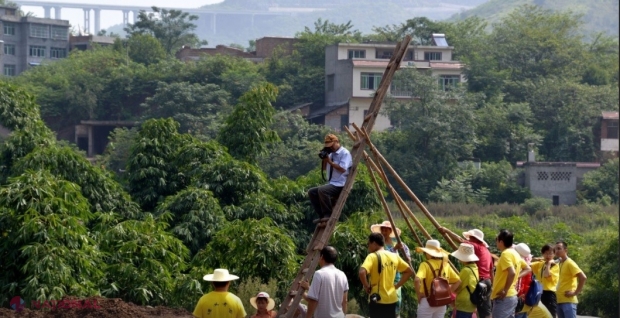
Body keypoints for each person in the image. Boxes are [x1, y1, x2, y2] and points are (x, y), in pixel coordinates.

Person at [440, 227, 493, 318]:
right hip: (487, 281)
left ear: (474, 238)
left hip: (478, 281)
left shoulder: (474, 246)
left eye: (470, 237)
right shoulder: (486, 251)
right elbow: (491, 269)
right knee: (485, 311)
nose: (468, 239)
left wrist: (447, 231)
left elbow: (460, 240)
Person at [359, 233, 413, 318]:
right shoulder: (394, 256)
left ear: (374, 243)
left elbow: (362, 272)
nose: (368, 246)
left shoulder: (372, 256)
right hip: (392, 298)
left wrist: (366, 286)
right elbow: (409, 271)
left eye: (368, 244)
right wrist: (398, 285)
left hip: (377, 299)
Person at [370, 220, 411, 318]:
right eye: (382, 230)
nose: (384, 232)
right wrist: (395, 249)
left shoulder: (397, 243)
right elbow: (383, 256)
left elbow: (407, 255)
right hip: (382, 273)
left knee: (397, 299)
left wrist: (407, 257)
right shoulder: (380, 245)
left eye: (386, 230)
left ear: (390, 231)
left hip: (395, 274)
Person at [308, 134, 352, 222]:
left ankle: (328, 214)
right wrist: (324, 158)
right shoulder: (331, 153)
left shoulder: (344, 153)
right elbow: (324, 168)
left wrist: (330, 162)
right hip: (332, 183)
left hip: (340, 184)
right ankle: (321, 215)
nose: (330, 148)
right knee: (311, 192)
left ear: (336, 142)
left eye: (331, 146)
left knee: (322, 190)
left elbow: (343, 169)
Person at [414, 239, 461, 318]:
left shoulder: (425, 264)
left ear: (428, 253)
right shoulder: (446, 265)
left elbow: (416, 280)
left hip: (427, 300)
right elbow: (458, 281)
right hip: (441, 303)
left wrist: (419, 295)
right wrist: (447, 293)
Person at [300, 246, 349, 318]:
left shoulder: (319, 274)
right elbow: (344, 300)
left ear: (322, 257)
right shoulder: (342, 275)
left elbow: (313, 300)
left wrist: (308, 316)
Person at [491, 230, 531, 318]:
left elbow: (512, 272)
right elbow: (528, 268)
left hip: (504, 297)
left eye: (496, 240)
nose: (496, 242)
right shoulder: (515, 253)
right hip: (511, 296)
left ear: (501, 242)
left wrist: (505, 290)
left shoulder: (505, 254)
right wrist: (516, 276)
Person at [514, 243, 552, 318]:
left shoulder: (521, 267)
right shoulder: (528, 267)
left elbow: (520, 285)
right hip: (526, 302)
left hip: (520, 300)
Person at [555, 241, 587, 318]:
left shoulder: (570, 263)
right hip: (559, 300)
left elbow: (583, 277)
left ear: (566, 250)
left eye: (559, 248)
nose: (556, 251)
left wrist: (575, 292)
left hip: (568, 301)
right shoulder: (559, 262)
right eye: (555, 249)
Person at [530, 244, 559, 317]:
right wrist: (536, 258)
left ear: (554, 254)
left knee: (550, 315)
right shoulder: (541, 264)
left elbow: (546, 275)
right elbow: (527, 265)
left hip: (549, 293)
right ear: (542, 254)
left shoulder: (555, 266)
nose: (548, 255)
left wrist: (549, 263)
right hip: (539, 293)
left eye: (550, 253)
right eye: (546, 253)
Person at [451, 243, 479, 318]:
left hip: (464, 305)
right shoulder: (475, 268)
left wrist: (449, 289)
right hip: (470, 304)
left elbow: (457, 286)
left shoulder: (466, 270)